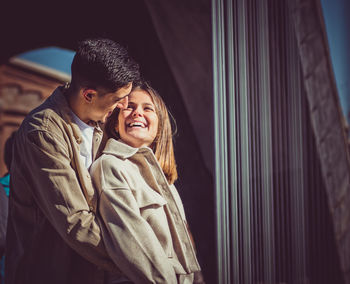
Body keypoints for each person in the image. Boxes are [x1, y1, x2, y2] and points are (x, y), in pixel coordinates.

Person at [5, 38, 140, 284]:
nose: (125, 105)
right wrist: (142, 263)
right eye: (119, 98)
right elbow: (75, 222)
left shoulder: (103, 120)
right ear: (89, 94)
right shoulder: (43, 132)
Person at [90, 81, 205, 284]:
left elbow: (186, 252)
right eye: (129, 107)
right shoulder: (110, 166)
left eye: (147, 108)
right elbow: (135, 246)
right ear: (116, 124)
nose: (137, 113)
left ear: (159, 124)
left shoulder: (166, 182)